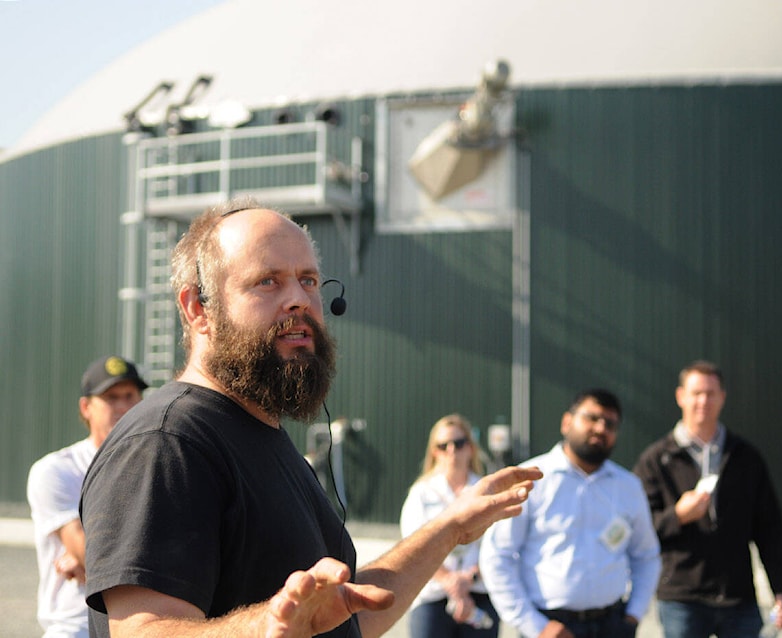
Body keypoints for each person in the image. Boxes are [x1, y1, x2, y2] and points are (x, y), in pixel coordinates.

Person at [78, 197, 542, 638]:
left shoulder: (264, 435)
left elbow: (347, 616)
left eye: (309, 281)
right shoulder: (167, 442)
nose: (298, 300)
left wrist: (450, 526)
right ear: (198, 308)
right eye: (268, 281)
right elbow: (144, 630)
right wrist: (268, 628)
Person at [632, 360, 782, 638]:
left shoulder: (744, 456)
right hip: (682, 597)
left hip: (737, 596)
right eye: (696, 393)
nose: (703, 401)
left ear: (722, 398)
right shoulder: (656, 460)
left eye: (710, 394)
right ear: (681, 396)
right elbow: (638, 529)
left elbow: (769, 528)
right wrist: (678, 516)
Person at [480, 388, 661, 638]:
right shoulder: (531, 479)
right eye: (592, 418)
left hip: (613, 625)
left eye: (610, 424)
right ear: (566, 422)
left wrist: (633, 615)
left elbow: (646, 556)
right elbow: (497, 556)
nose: (600, 428)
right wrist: (534, 625)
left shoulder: (628, 486)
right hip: (550, 625)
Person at [26, 355, 147, 638]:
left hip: (141, 625)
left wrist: (97, 563)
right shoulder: (57, 470)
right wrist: (96, 561)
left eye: (130, 396)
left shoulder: (155, 466)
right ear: (86, 407)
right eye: (111, 397)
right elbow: (90, 555)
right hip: (76, 626)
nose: (122, 406)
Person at [400, 414, 498, 637]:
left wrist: (468, 579)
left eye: (459, 443)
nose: (452, 450)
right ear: (434, 452)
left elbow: (498, 544)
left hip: (479, 593)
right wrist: (449, 581)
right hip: (433, 596)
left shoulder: (486, 490)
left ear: (470, 448)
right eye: (443, 445)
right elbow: (414, 546)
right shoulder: (421, 494)